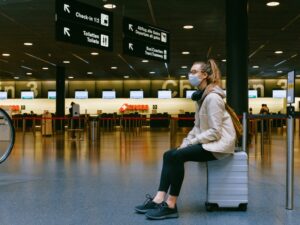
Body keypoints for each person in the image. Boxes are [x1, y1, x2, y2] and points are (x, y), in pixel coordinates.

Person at [134, 59, 237, 220]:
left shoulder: (213, 98)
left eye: (194, 72)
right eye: (190, 71)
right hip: (209, 142)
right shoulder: (201, 98)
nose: (190, 75)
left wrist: (191, 143)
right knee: (169, 154)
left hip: (219, 146)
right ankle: (158, 199)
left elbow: (215, 132)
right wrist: (186, 141)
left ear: (204, 75)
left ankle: (171, 205)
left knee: (177, 156)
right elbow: (197, 126)